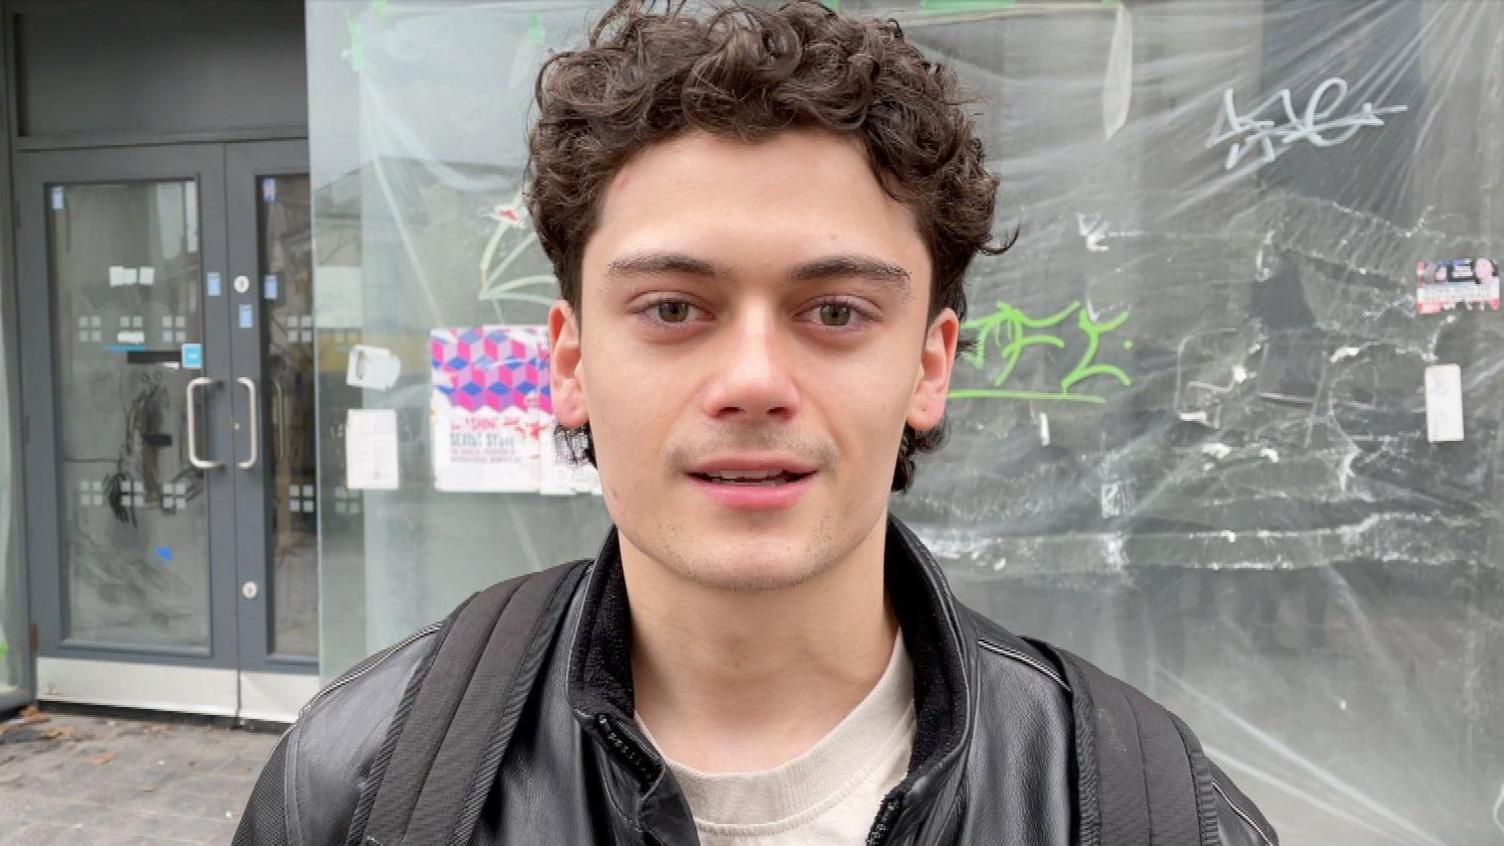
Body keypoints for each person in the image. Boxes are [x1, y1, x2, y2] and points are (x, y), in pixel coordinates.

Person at [236, 2, 1278, 844]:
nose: (751, 382)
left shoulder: (1145, 811)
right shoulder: (364, 779)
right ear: (569, 362)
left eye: (834, 312)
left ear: (928, 366)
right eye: (673, 309)